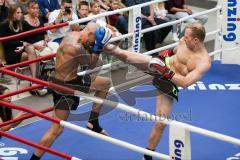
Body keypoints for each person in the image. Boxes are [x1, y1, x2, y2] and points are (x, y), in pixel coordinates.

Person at [103, 23, 211, 160]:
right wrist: (160, 62)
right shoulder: (183, 42)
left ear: (196, 40)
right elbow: (172, 53)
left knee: (161, 123)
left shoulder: (204, 62)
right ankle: (100, 45)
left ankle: (147, 156)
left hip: (168, 81)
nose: (183, 38)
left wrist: (164, 71)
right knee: (128, 57)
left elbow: (185, 82)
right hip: (162, 64)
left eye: (187, 36)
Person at [29, 22, 112, 160]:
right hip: (65, 87)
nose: (93, 42)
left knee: (105, 84)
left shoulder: (72, 35)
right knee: (56, 129)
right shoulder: (75, 48)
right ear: (90, 34)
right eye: (94, 40)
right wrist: (98, 48)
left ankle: (93, 122)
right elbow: (92, 63)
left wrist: (96, 43)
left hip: (71, 80)